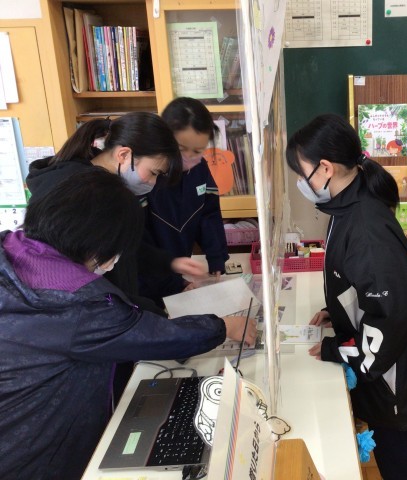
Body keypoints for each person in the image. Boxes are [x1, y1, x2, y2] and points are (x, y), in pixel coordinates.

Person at [0, 170, 257, 480]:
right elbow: (146, 336)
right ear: (98, 240)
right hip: (33, 456)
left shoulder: (14, 250)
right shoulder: (74, 302)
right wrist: (223, 326)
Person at [286, 113, 407, 480]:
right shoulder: (346, 205)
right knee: (397, 459)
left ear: (325, 168)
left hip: (396, 384)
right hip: (387, 374)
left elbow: (391, 317)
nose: (300, 182)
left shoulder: (365, 228)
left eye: (301, 172)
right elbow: (366, 287)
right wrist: (339, 310)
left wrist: (336, 351)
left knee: (406, 466)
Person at [26, 112, 208, 401]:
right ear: (124, 154)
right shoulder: (84, 196)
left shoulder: (104, 187)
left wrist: (169, 265)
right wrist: (162, 319)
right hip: (89, 341)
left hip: (110, 323)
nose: (153, 183)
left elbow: (127, 249)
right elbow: (95, 295)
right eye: (154, 173)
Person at [141, 97, 229, 307]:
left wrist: (216, 258)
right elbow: (139, 246)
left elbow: (209, 214)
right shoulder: (146, 177)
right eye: (181, 149)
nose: (189, 158)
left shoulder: (199, 169)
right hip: (146, 282)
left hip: (180, 273)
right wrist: (174, 281)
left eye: (197, 151)